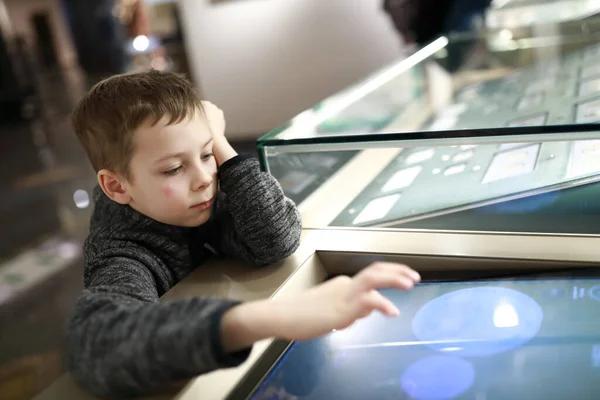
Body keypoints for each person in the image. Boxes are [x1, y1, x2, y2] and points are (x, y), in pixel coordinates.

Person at [67, 69, 421, 398]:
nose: (205, 178)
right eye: (174, 168)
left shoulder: (195, 197)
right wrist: (273, 316)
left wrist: (219, 141)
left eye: (207, 155)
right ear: (116, 186)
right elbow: (97, 344)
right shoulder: (120, 252)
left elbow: (275, 239)